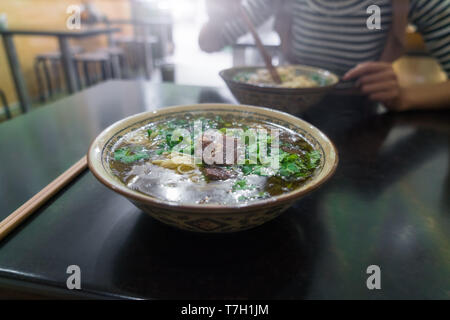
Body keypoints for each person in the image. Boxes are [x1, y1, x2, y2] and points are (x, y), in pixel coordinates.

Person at [199, 0, 450, 111]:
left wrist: (405, 96)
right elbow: (210, 43)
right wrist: (218, 14)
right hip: (290, 115)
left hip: (361, 120)